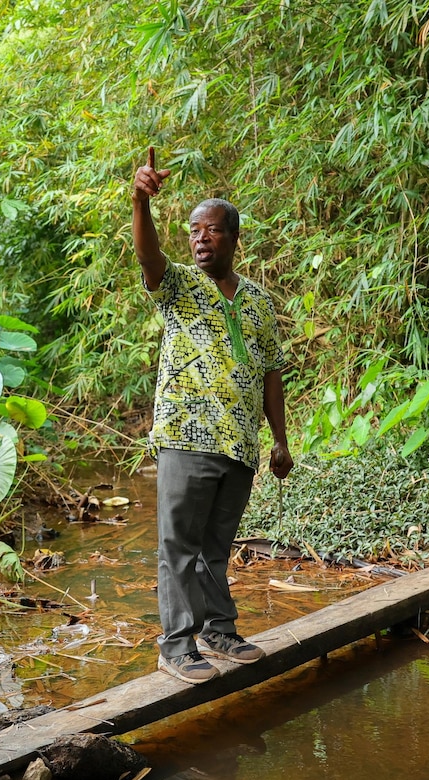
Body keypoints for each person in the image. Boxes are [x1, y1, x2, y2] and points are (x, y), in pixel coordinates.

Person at [133, 147, 292, 685]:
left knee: (216, 548)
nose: (200, 238)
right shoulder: (178, 287)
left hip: (240, 443)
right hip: (185, 435)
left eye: (212, 230)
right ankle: (176, 645)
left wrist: (280, 441)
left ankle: (217, 631)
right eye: (194, 230)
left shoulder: (259, 302)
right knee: (178, 544)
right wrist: (140, 201)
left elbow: (271, 371)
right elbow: (148, 258)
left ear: (234, 238)